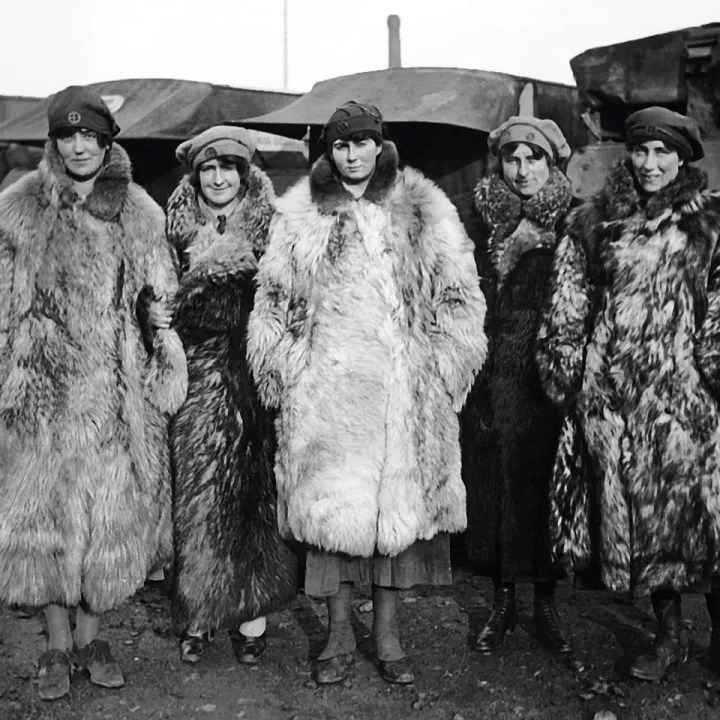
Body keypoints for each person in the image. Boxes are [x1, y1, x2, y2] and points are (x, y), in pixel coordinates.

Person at [247, 101, 487, 685]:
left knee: (394, 522)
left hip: (402, 398)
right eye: (341, 145)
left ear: (381, 146)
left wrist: (443, 376)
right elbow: (274, 303)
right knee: (332, 522)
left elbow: (458, 296)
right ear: (327, 151)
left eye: (362, 143)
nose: (352, 155)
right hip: (327, 398)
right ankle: (335, 639)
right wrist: (289, 379)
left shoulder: (423, 207)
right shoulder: (300, 213)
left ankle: (387, 636)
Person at [0, 85, 187, 700]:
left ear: (108, 142)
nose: (79, 146)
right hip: (40, 399)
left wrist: (154, 317)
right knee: (44, 522)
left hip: (113, 395)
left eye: (91, 136)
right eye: (67, 135)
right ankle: (55, 646)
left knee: (107, 521)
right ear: (52, 141)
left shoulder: (139, 210)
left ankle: (92, 637)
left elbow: (158, 291)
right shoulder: (19, 208)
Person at [536, 106, 720, 681]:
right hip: (614, 403)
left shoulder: (710, 225)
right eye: (641, 151)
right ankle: (669, 640)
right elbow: (567, 308)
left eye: (663, 152)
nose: (650, 164)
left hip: (688, 404)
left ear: (684, 157)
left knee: (704, 523)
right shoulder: (593, 223)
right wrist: (568, 375)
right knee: (646, 526)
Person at [166, 126, 298, 666]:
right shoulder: (170, 230)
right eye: (208, 169)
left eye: (229, 169)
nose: (218, 179)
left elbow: (291, 299)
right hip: (194, 383)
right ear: (194, 175)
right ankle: (197, 616)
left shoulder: (275, 227)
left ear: (245, 176)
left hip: (253, 380)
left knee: (252, 498)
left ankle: (251, 615)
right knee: (195, 499)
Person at [462, 117, 579, 664]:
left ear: (552, 164)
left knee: (545, 485)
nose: (523, 169)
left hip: (546, 376)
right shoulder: (475, 220)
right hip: (488, 377)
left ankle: (546, 603)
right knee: (495, 489)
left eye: (534, 158)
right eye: (513, 158)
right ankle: (502, 600)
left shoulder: (575, 221)